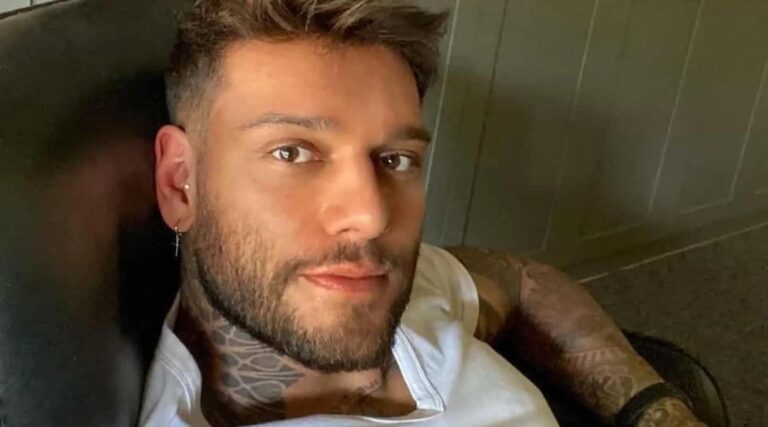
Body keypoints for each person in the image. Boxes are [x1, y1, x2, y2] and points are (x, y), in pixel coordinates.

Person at [141, 1, 709, 426]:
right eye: (292, 152)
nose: (371, 217)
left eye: (395, 159)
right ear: (179, 183)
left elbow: (522, 282)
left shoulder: (367, 284)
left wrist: (654, 409)